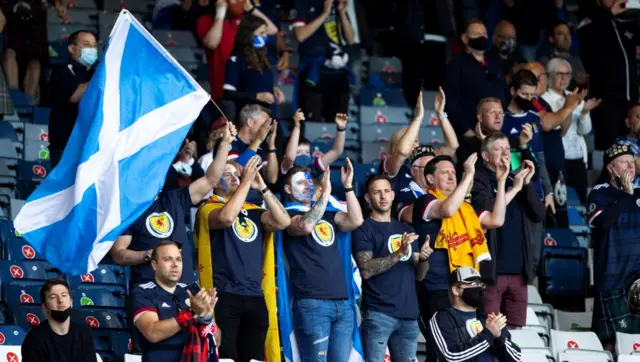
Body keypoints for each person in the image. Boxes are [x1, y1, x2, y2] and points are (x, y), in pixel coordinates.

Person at [412, 153, 509, 362]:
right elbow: (447, 209)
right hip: (438, 287)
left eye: (453, 173)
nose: (451, 176)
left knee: (474, 341)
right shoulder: (424, 201)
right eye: (444, 172)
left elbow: (497, 219)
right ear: (429, 179)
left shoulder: (466, 208)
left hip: (468, 286)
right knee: (441, 352)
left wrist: (501, 182)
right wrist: (468, 177)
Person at [201, 156, 290, 361]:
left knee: (255, 357)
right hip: (224, 295)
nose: (234, 178)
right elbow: (226, 218)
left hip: (255, 296)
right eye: (227, 174)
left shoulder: (255, 211)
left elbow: (284, 221)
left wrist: (263, 188)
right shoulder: (208, 209)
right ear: (215, 182)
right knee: (225, 356)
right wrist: (246, 182)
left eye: (236, 174)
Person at [282, 160, 363, 361]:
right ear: (287, 189)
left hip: (342, 304)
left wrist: (348, 187)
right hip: (312, 304)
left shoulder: (328, 215)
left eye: (310, 182)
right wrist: (325, 193)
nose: (308, 186)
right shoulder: (286, 215)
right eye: (301, 183)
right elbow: (307, 225)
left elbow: (356, 221)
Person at [353, 173, 432, 361]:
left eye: (387, 191)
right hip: (378, 314)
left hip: (409, 315)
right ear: (367, 198)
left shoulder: (407, 229)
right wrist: (399, 253)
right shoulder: (363, 228)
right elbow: (365, 269)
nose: (383, 196)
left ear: (393, 194)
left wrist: (423, 259)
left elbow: (419, 276)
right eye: (377, 192)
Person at [472, 133, 545, 329]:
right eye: (498, 149)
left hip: (519, 270)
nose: (505, 153)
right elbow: (489, 213)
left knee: (516, 332)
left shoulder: (516, 178)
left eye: (507, 149)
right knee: (489, 330)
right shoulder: (478, 179)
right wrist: (512, 188)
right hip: (492, 272)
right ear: (485, 156)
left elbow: (539, 214)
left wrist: (526, 184)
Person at [588, 143, 640, 348]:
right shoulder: (600, 193)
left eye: (632, 162)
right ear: (611, 169)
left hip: (637, 279)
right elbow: (603, 222)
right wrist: (626, 196)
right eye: (624, 163)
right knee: (610, 342)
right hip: (613, 279)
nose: (631, 166)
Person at [132, 241, 220, 361]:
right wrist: (191, 313)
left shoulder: (194, 291)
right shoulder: (142, 291)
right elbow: (152, 333)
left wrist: (207, 318)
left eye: (178, 259)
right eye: (168, 259)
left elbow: (216, 341)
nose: (175, 264)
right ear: (154, 264)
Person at [381, 89, 458, 209]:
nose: (413, 144)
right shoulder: (390, 166)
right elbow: (402, 151)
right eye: (407, 140)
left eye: (415, 141)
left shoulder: (426, 161)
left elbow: (452, 146)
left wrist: (441, 114)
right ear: (394, 147)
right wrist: (418, 118)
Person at [427, 266, 522, 362]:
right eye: (473, 284)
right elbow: (451, 357)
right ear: (456, 290)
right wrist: (488, 334)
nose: (479, 288)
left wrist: (498, 338)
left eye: (480, 284)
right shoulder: (443, 318)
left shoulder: (488, 319)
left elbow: (515, 357)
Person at [579, 0, 637, 150]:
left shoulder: (625, 21)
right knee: (610, 147)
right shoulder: (591, 18)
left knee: (630, 147)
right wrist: (609, 14)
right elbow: (585, 33)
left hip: (629, 98)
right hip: (607, 99)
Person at [542, 58, 599, 203]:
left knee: (581, 199)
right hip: (559, 156)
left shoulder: (573, 96)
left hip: (578, 155)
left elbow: (585, 130)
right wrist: (567, 107)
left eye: (567, 74)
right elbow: (553, 127)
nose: (564, 78)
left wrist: (584, 111)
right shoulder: (544, 99)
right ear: (550, 76)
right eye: (559, 74)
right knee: (561, 200)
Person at [197, 0, 277, 100]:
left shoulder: (244, 21)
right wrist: (220, 13)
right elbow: (212, 44)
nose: (241, 2)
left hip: (246, 88)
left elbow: (272, 30)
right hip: (222, 84)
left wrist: (251, 9)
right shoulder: (206, 20)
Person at [443, 19, 508, 137]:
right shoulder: (456, 65)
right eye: (476, 34)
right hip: (470, 133)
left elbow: (505, 93)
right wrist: (466, 130)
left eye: (484, 34)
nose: (481, 37)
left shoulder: (495, 63)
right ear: (465, 38)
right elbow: (450, 100)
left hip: (497, 132)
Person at [292, 0, 355, 122]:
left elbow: (351, 39)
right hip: (312, 70)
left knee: (339, 120)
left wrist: (342, 13)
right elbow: (300, 35)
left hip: (338, 69)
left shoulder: (337, 6)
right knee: (313, 119)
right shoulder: (303, 4)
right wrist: (324, 15)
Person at [503, 69, 554, 209]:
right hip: (509, 191)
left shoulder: (534, 118)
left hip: (535, 191)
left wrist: (548, 191)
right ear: (513, 91)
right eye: (524, 94)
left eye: (531, 95)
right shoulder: (501, 119)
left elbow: (540, 156)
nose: (528, 99)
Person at [47, 30, 98, 168]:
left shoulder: (94, 73)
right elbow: (74, 96)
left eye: (94, 45)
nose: (92, 49)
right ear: (71, 48)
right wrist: (101, 77)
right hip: (66, 147)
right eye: (86, 44)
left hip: (90, 147)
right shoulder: (62, 70)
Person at [392, 0, 453, 106]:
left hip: (438, 39)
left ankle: (433, 117)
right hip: (412, 38)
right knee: (412, 81)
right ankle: (414, 115)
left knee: (435, 84)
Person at [21, 278, 98, 362]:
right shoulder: (34, 338)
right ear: (44, 307)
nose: (60, 300)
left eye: (64, 295)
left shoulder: (84, 333)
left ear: (71, 302)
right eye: (53, 297)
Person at [223, 14, 285, 113]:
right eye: (261, 33)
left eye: (265, 33)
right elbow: (228, 93)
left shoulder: (264, 57)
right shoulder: (236, 59)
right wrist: (257, 96)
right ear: (249, 34)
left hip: (267, 113)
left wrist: (274, 89)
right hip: (248, 115)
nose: (265, 37)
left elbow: (258, 83)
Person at [1, 0, 48, 103]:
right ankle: (14, 97)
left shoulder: (39, 9)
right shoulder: (5, 6)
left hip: (30, 53)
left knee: (35, 65)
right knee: (9, 54)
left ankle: (28, 103)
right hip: (9, 52)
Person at [538, 20, 588, 88]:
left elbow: (586, 91)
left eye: (568, 33)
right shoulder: (544, 62)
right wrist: (573, 81)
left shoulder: (576, 61)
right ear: (551, 39)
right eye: (561, 34)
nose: (567, 38)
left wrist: (584, 83)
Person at [616, 105, 640, 187]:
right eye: (638, 117)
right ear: (628, 122)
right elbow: (637, 168)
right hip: (631, 194)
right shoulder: (621, 142)